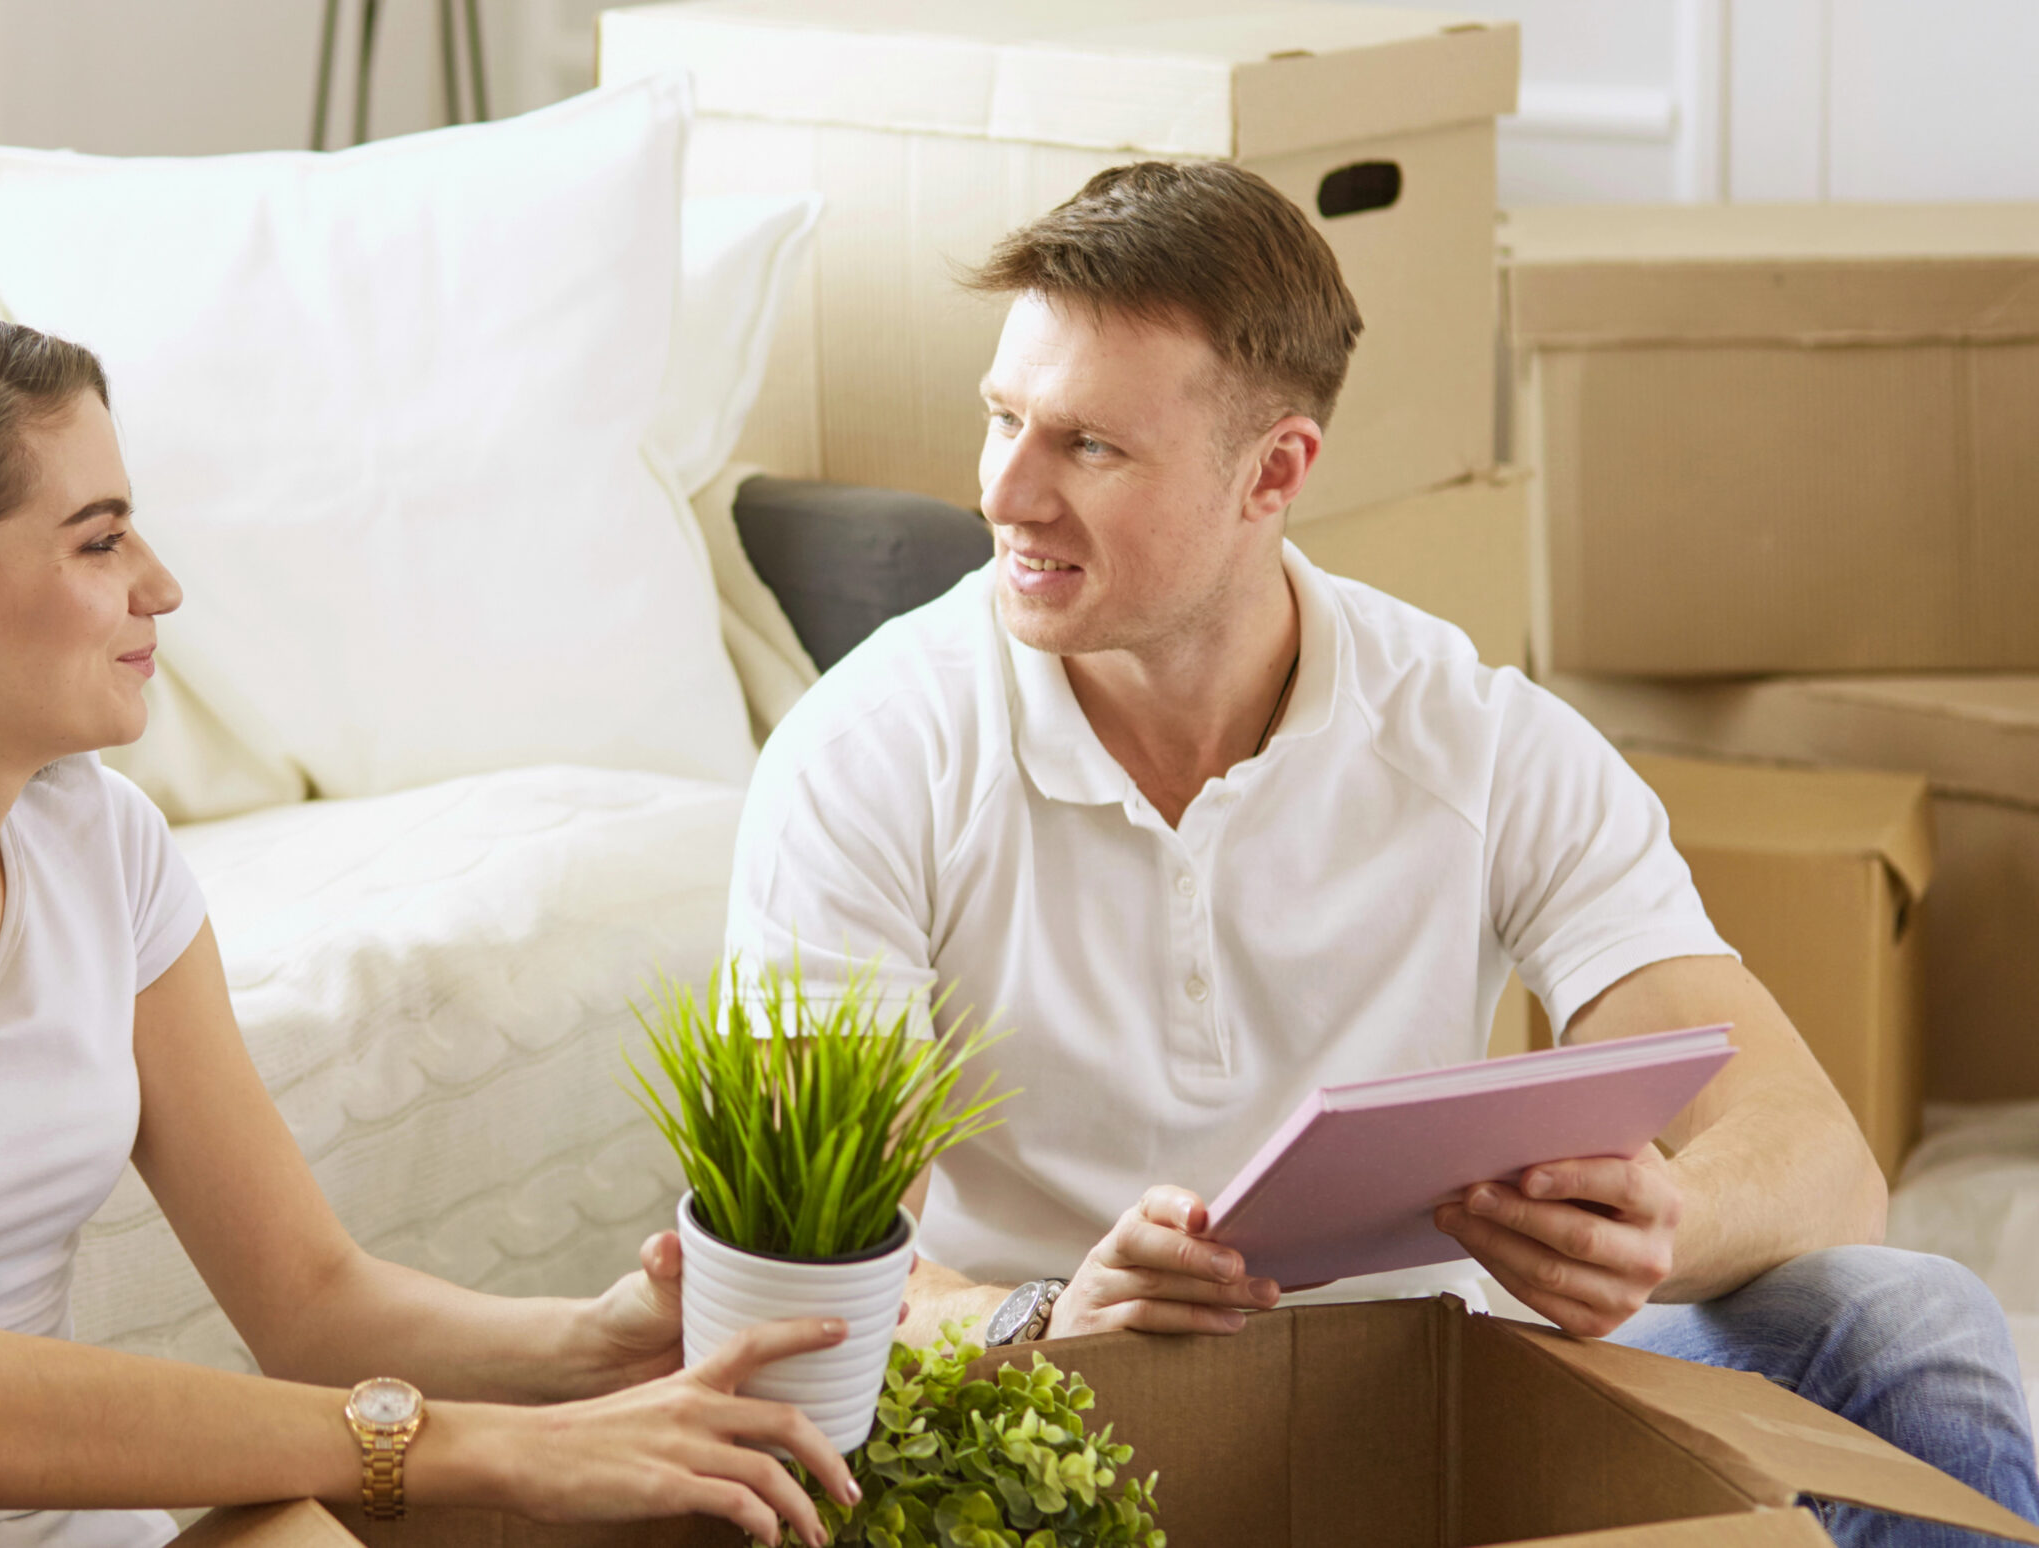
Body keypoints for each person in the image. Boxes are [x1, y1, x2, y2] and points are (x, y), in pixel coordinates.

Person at [723, 160, 2039, 1546]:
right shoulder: (868, 756)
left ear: (1275, 471)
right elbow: (807, 1280)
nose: (1009, 493)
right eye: (1004, 420)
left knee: (1914, 1324)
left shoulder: (1473, 738)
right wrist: (1037, 1319)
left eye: (1089, 448)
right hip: (1044, 1424)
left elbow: (1823, 1157)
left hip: (1420, 1396)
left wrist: (1667, 1220)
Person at [0, 317, 862, 1548]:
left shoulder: (99, 845)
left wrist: (589, 1347)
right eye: (98, 540)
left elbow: (312, 1302)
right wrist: (501, 1450)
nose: (161, 585)